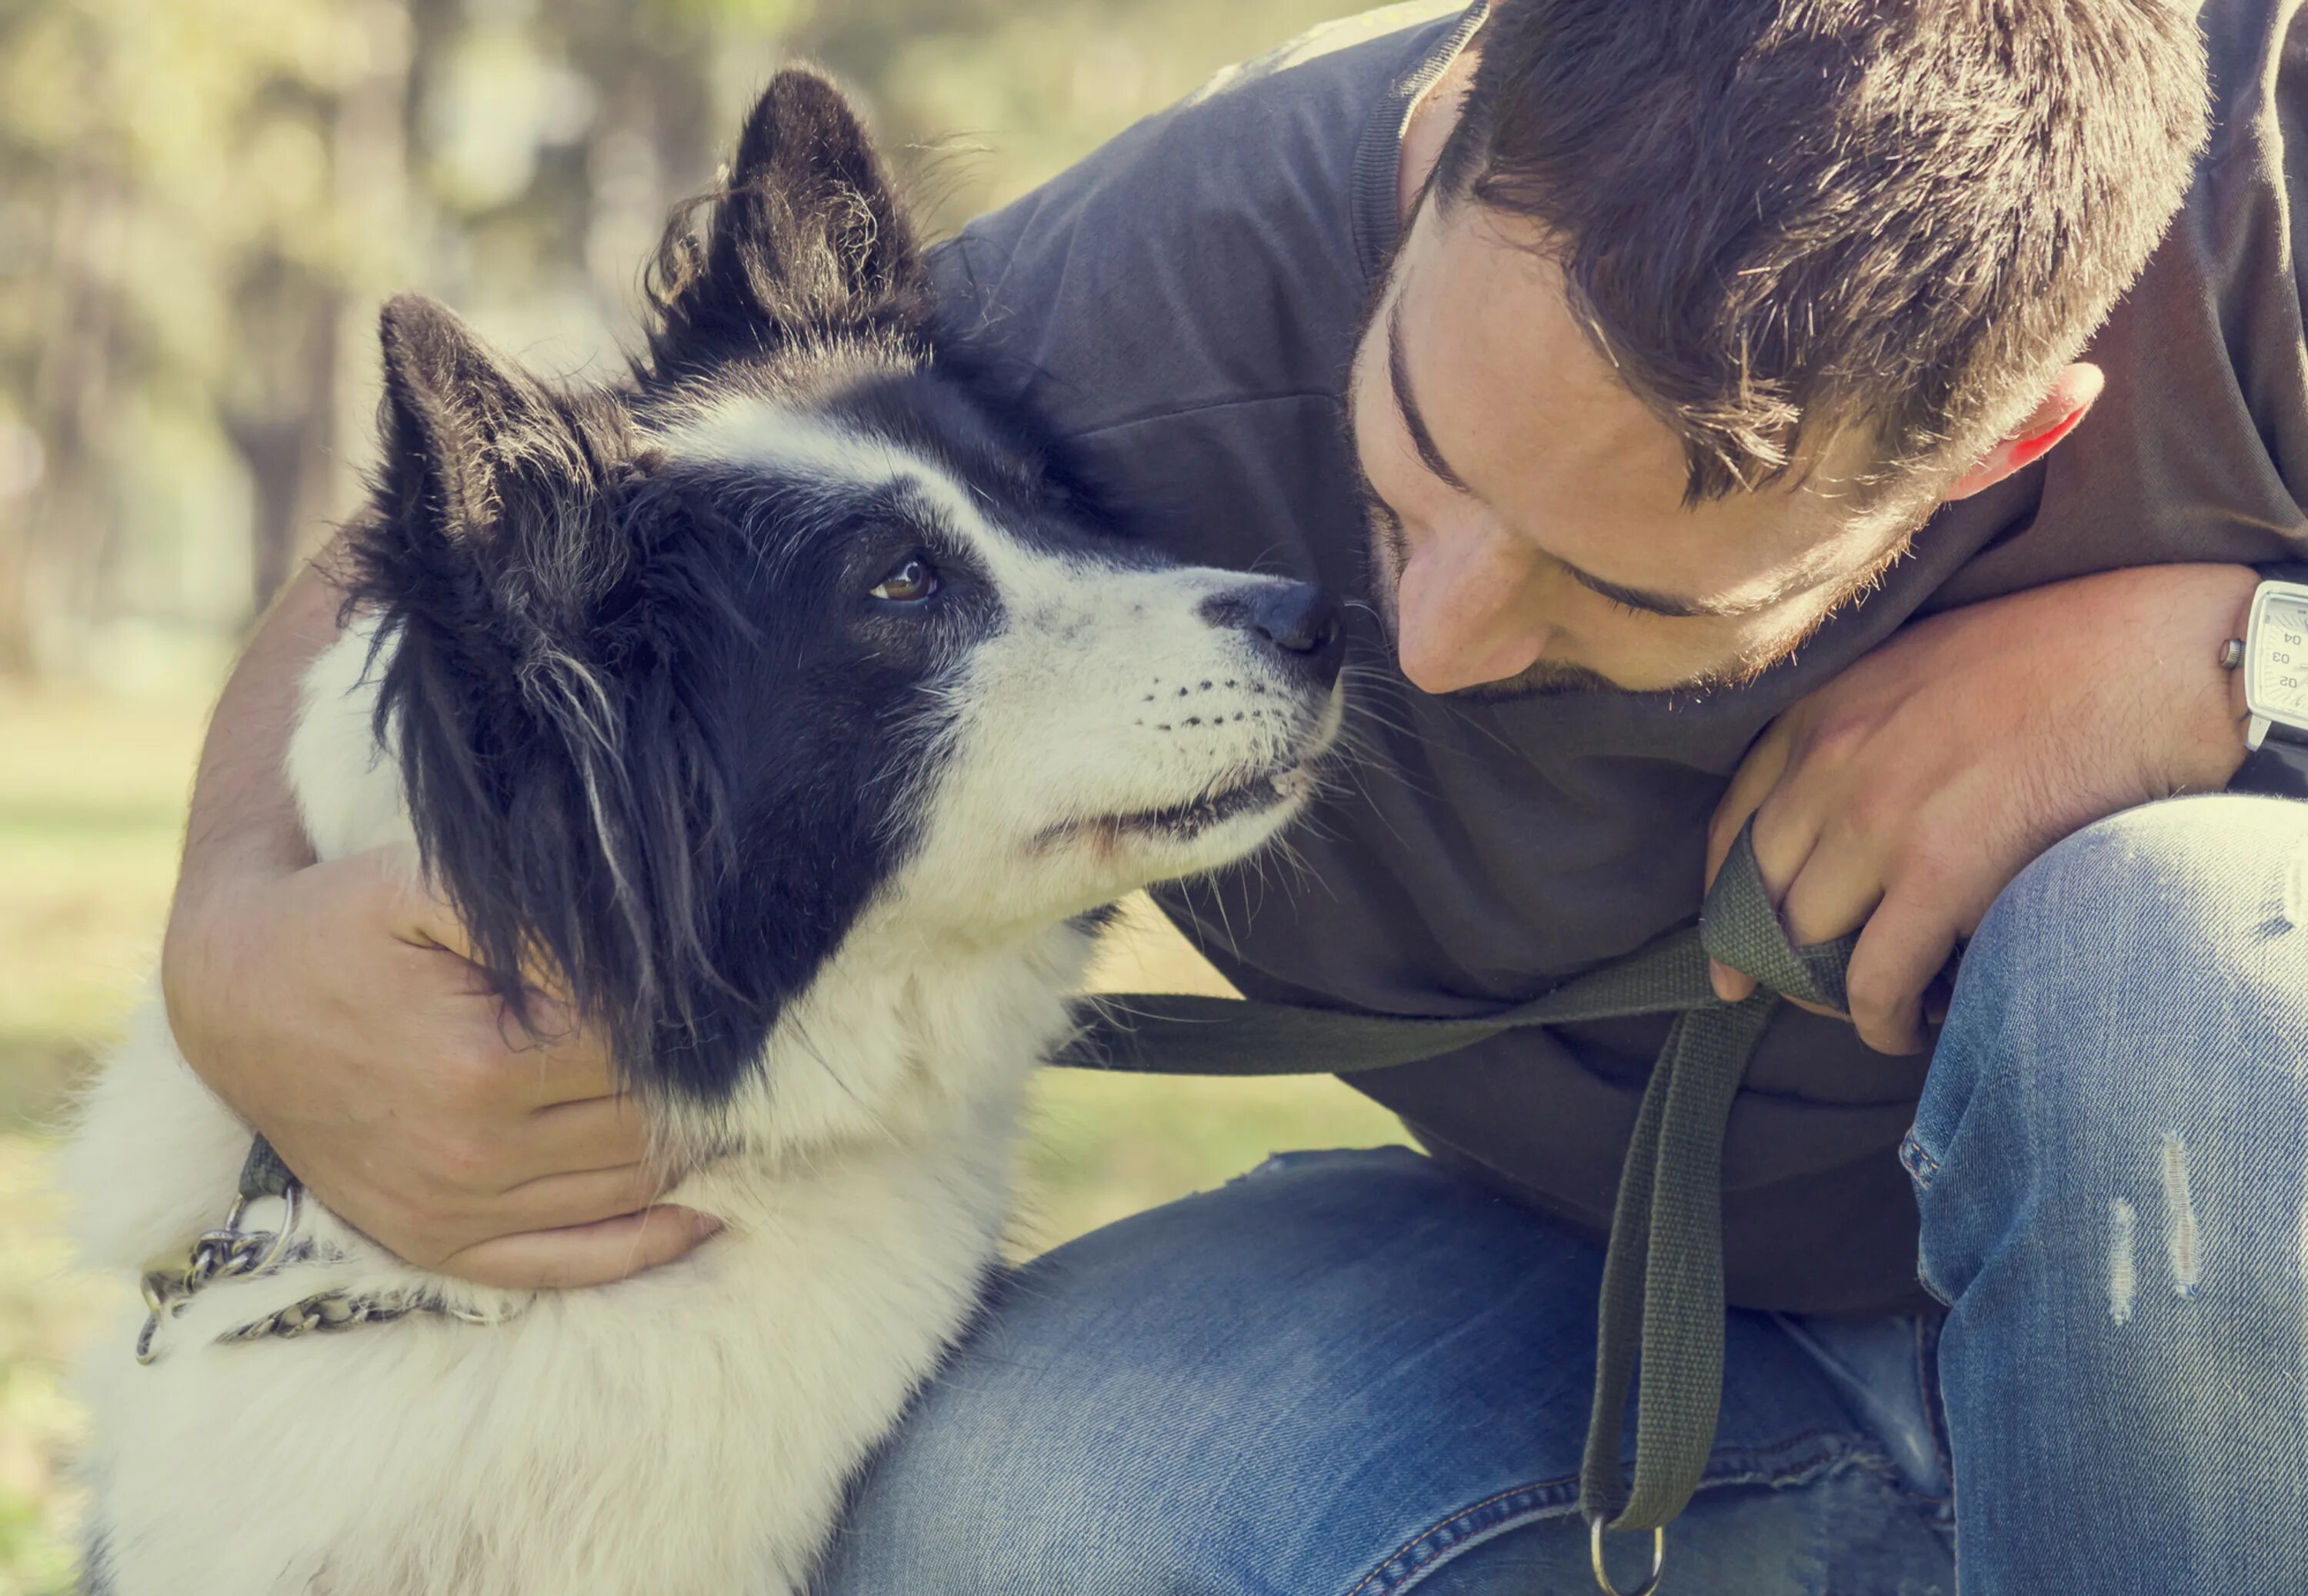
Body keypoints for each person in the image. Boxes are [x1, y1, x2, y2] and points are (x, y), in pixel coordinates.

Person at [157, 1, 2308, 1591]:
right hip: (1656, 1341)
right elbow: (563, 500)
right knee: (996, 1519)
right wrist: (229, 932)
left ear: (2001, 444)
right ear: (1447, 128)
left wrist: (2216, 660)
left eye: (1617, 591)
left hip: (2241, 1320)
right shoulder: (1165, 278)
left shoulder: (2269, 194)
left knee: (2178, 957)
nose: (1437, 638)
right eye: (1413, 463)